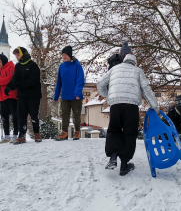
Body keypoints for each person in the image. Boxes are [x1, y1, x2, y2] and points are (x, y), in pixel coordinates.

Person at [97, 47, 159, 176]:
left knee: (114, 129)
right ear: (134, 61)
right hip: (131, 105)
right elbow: (146, 89)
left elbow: (100, 83)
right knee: (129, 133)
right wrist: (155, 106)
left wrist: (108, 95)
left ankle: (113, 155)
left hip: (116, 104)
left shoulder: (114, 69)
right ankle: (124, 165)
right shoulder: (138, 71)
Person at [5, 47, 42, 144]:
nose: (17, 57)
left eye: (18, 54)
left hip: (33, 95)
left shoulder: (33, 65)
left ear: (23, 54)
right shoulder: (18, 66)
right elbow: (14, 79)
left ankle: (37, 133)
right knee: (22, 114)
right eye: (16, 55)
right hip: (21, 95)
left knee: (34, 115)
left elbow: (33, 80)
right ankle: (22, 135)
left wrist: (19, 84)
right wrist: (9, 87)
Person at [54, 46, 85, 141]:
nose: (64, 56)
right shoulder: (61, 67)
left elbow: (80, 80)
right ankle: (64, 133)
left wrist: (77, 93)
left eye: (66, 54)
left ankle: (77, 132)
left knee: (76, 115)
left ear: (70, 55)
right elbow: (59, 82)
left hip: (76, 96)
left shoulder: (77, 66)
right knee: (64, 115)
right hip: (65, 96)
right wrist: (56, 95)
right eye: (62, 55)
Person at [0, 54, 18, 143]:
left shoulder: (11, 66)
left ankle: (16, 134)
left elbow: (10, 79)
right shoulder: (0, 70)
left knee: (14, 116)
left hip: (11, 95)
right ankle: (6, 136)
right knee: (4, 117)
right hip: (2, 97)